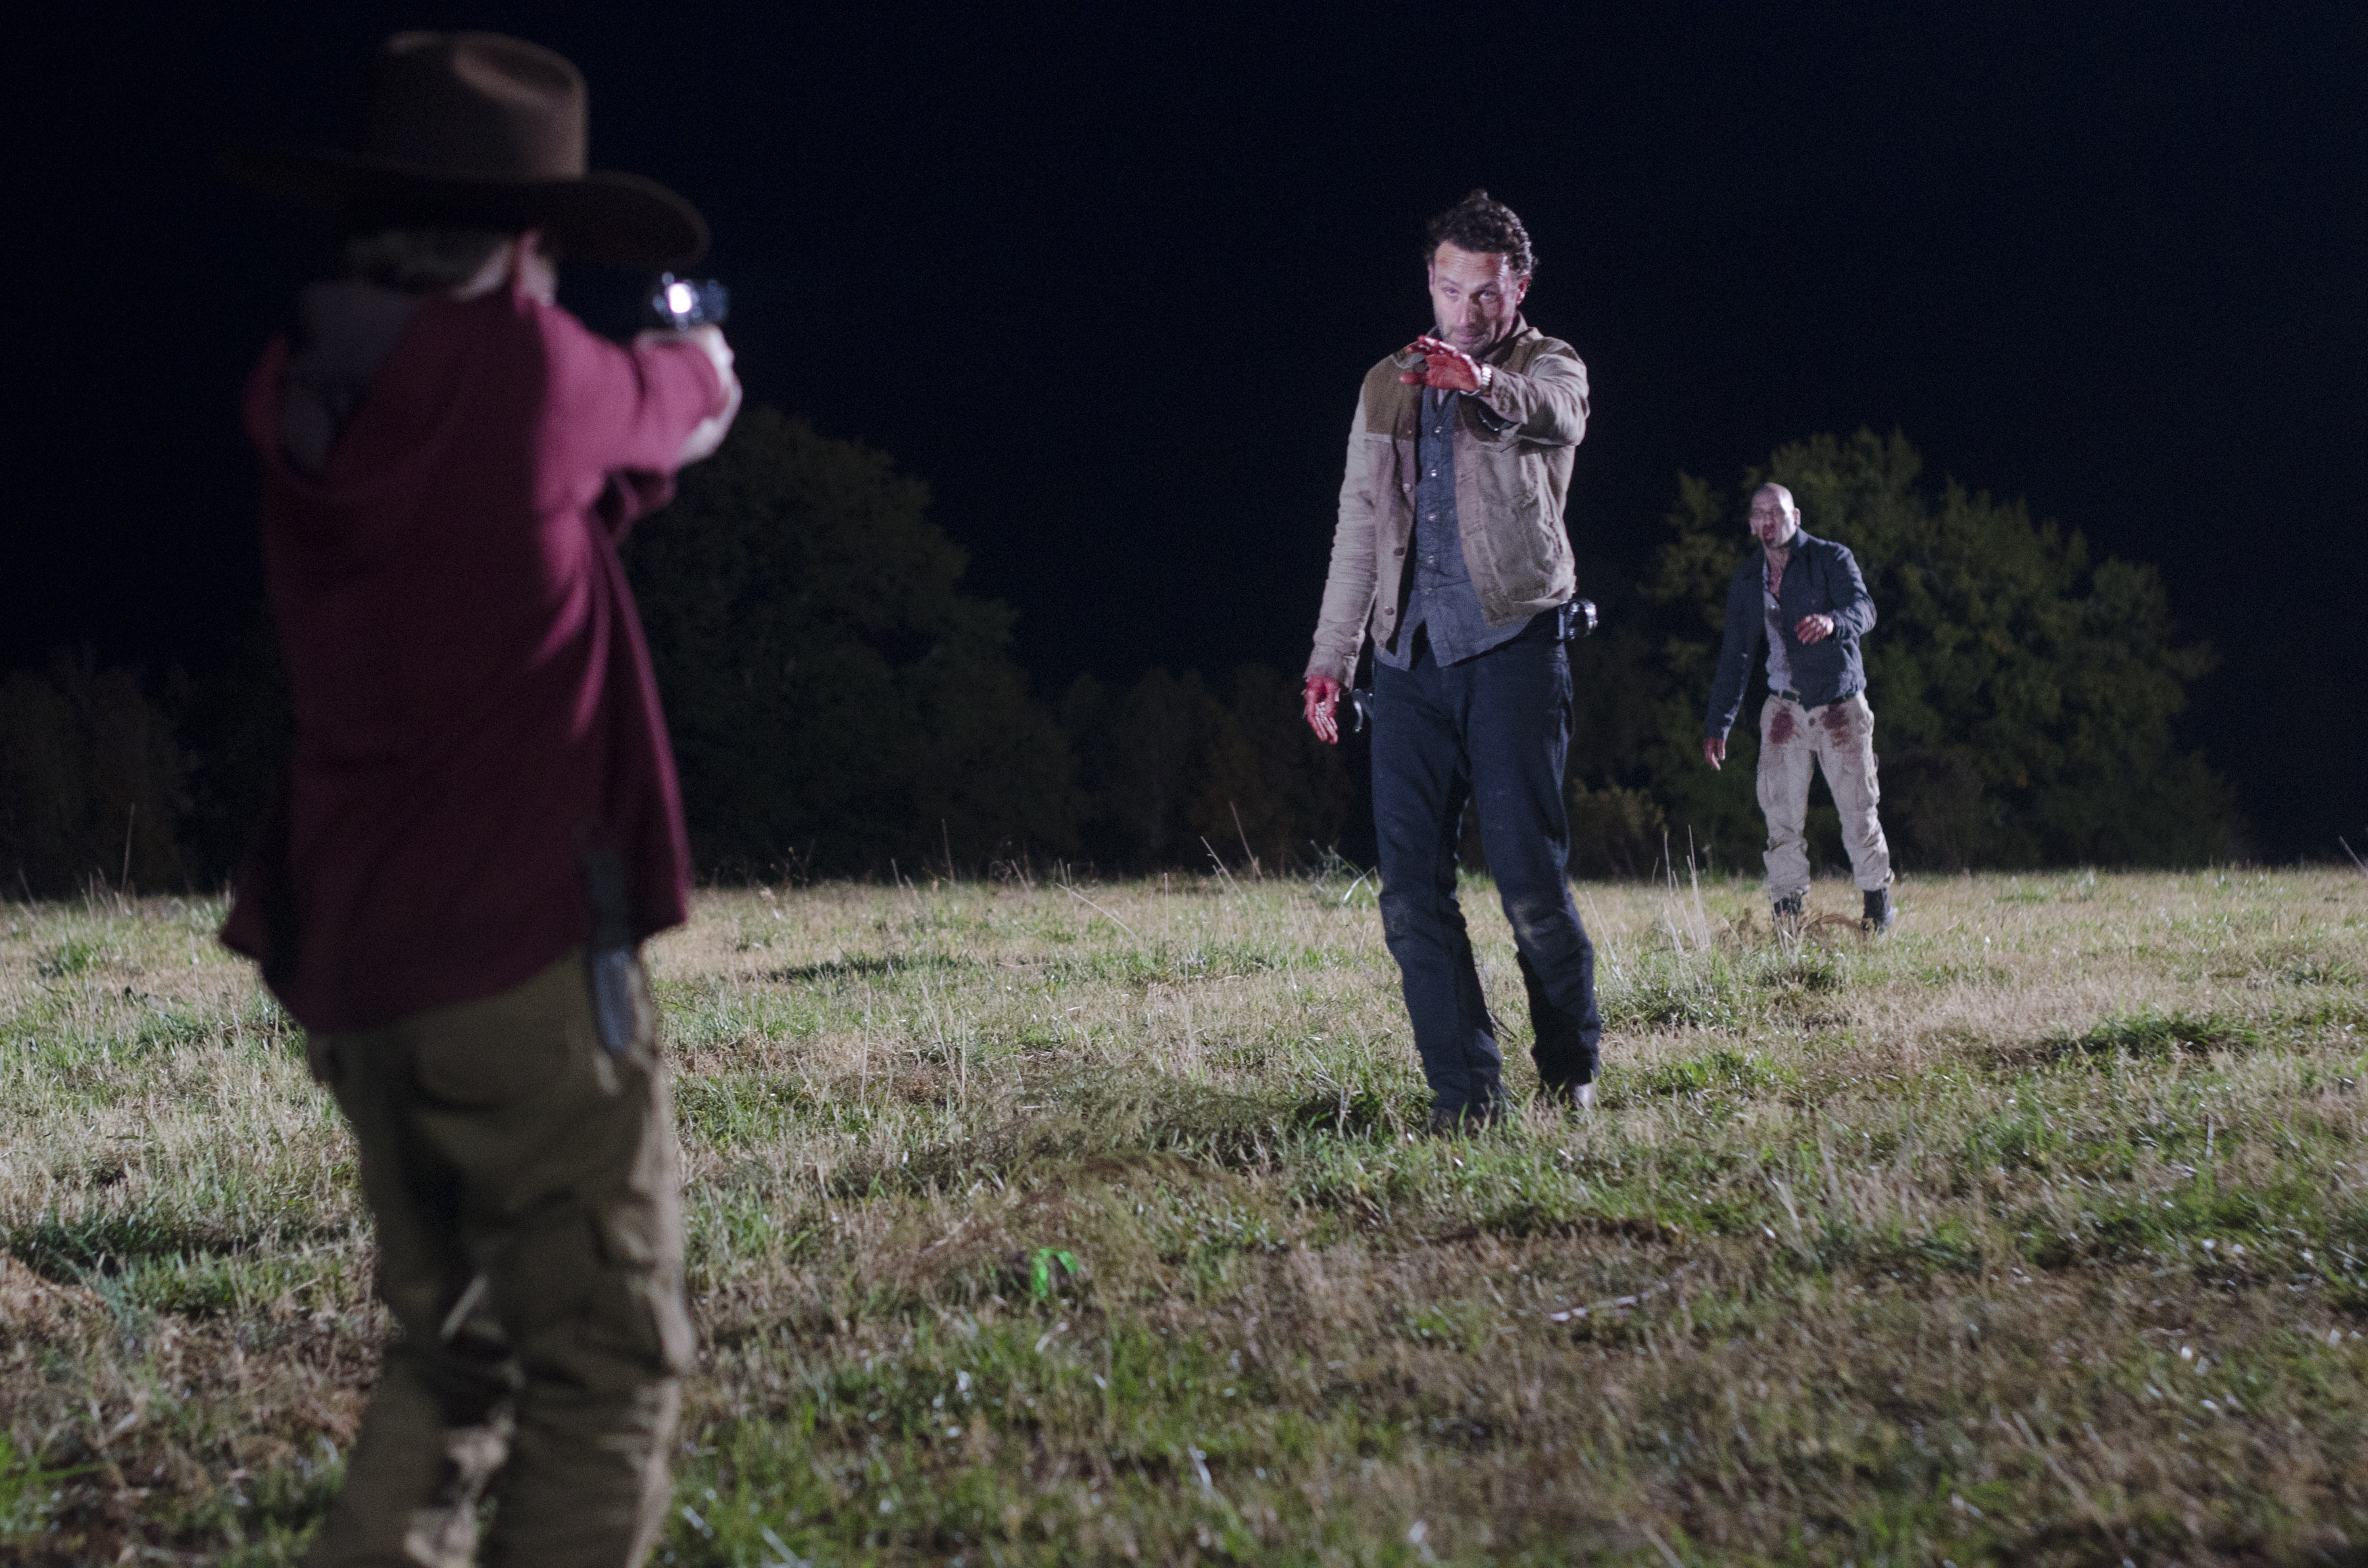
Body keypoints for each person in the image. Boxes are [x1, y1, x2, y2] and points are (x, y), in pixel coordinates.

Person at [220, 32, 742, 1567]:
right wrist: (708, 365)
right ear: (523, 243)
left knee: (448, 1355)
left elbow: (548, 515)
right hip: (515, 973)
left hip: (362, 974)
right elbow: (662, 408)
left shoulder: (311, 396)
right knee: (606, 1371)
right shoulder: (520, 369)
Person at [1302, 189, 1602, 1133]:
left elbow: (1560, 417)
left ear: (1516, 288)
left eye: (1485, 294)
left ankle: (1570, 1063)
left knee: (1528, 885)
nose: (1465, 311)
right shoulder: (1385, 383)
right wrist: (1331, 659)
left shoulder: (1544, 365)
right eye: (1449, 289)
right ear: (1430, 281)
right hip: (1409, 664)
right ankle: (1466, 1098)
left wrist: (1477, 380)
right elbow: (1358, 523)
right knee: (1410, 897)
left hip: (1514, 646)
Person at [1700, 482, 1897, 929]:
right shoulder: (1749, 579)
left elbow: (1865, 608)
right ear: (1752, 524)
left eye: (1778, 512)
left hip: (1838, 706)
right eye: (1760, 513)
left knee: (1858, 813)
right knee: (1780, 818)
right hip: (1784, 709)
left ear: (1797, 517)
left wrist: (1834, 622)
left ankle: (1877, 911)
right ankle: (1788, 914)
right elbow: (1736, 656)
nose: (1769, 521)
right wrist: (1719, 723)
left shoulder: (1831, 558)